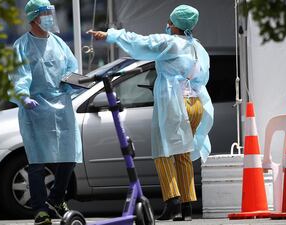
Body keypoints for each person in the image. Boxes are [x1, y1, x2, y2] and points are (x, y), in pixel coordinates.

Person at [88, 5, 213, 221]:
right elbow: (202, 76)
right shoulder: (197, 47)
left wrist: (111, 35)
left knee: (163, 152)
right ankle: (187, 208)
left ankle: (172, 204)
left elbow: (141, 43)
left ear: (175, 25)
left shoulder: (171, 43)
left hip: (175, 103)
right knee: (183, 154)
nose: (168, 25)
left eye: (170, 22)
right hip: (195, 103)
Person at [8, 0, 82, 224]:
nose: (51, 17)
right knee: (37, 162)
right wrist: (23, 96)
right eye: (45, 13)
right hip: (36, 109)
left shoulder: (59, 43)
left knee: (69, 156)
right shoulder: (21, 46)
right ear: (33, 18)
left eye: (52, 12)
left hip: (62, 106)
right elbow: (17, 76)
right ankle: (40, 209)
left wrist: (72, 82)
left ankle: (56, 198)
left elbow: (72, 69)